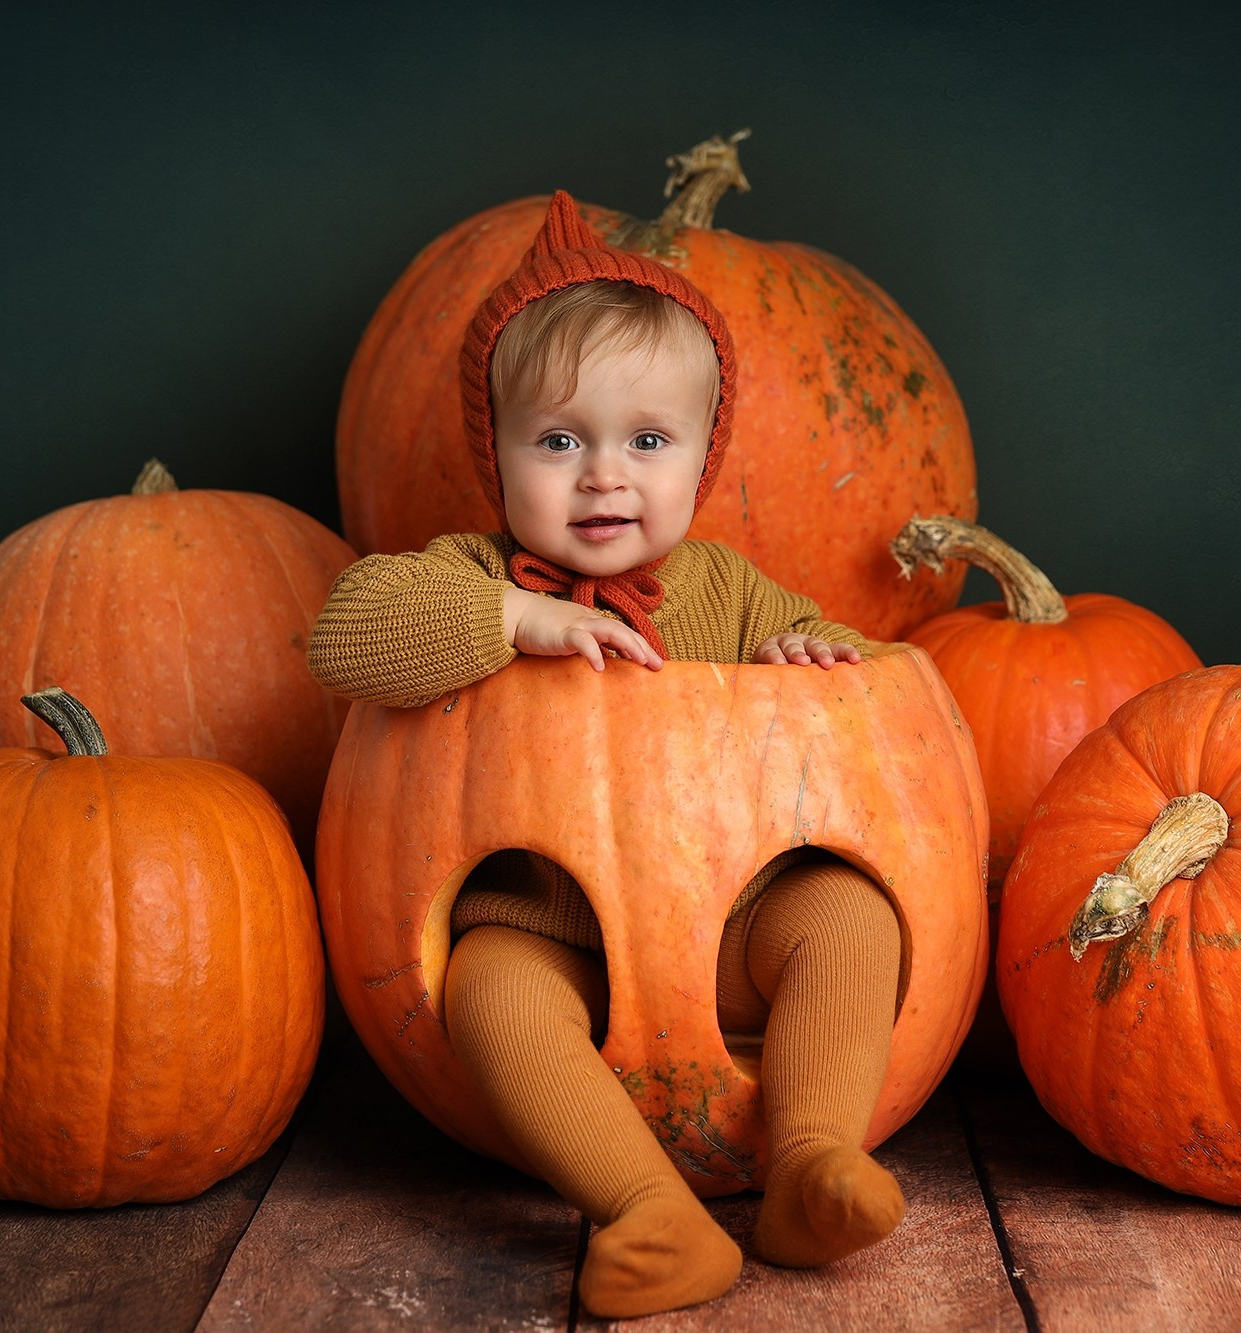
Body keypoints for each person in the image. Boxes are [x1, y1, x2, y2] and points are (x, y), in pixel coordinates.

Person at [307, 191, 904, 1319]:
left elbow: (873, 697)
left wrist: (810, 652)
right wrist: (511, 620)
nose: (602, 475)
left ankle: (812, 1158)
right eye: (558, 440)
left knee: (850, 916)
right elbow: (344, 636)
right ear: (495, 452)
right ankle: (646, 1211)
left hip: (734, 932)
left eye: (647, 440)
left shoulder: (726, 590)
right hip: (555, 940)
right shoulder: (469, 572)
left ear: (702, 457)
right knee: (485, 992)